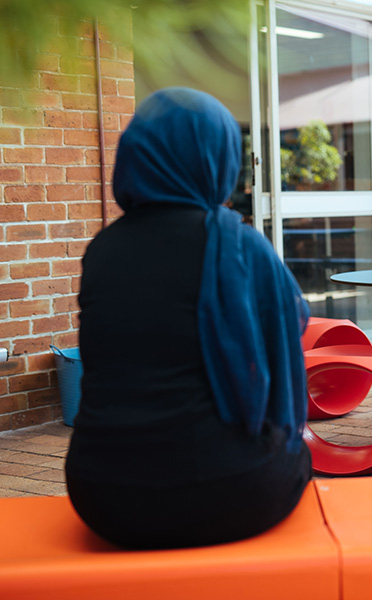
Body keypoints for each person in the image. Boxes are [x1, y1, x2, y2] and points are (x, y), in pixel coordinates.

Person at [65, 87, 312, 550]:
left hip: (103, 496)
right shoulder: (238, 246)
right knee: (296, 454)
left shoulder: (101, 251)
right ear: (216, 159)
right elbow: (289, 330)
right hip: (231, 491)